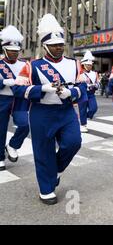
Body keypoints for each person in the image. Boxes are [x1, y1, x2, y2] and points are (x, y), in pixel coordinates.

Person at [14, 14, 87, 205]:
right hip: (41, 113)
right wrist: (41, 89)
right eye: (54, 44)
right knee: (43, 151)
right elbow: (18, 89)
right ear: (45, 46)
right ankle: (46, 188)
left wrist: (71, 92)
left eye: (61, 44)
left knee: (73, 142)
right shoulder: (32, 66)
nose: (59, 47)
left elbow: (83, 89)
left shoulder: (74, 64)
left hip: (66, 112)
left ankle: (55, 171)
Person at [0, 26, 30, 171]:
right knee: (1, 129)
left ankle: (12, 145)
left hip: (19, 99)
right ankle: (0, 158)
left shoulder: (25, 64)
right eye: (11, 50)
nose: (14, 53)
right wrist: (4, 82)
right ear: (4, 49)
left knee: (24, 125)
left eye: (16, 51)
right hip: (2, 98)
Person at [78, 51, 99, 133]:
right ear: (84, 64)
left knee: (94, 108)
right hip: (83, 93)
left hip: (91, 94)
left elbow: (98, 83)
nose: (89, 66)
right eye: (87, 65)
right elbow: (77, 82)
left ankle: (84, 117)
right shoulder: (80, 73)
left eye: (90, 65)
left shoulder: (95, 73)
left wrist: (96, 86)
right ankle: (83, 124)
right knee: (82, 109)